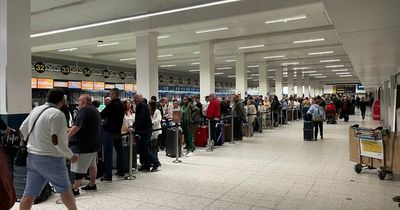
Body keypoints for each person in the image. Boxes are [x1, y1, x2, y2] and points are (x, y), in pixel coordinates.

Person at [19, 88, 78, 210]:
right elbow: (57, 141)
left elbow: (22, 129)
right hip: (51, 159)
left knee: (29, 192)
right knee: (65, 189)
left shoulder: (36, 109)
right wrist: (70, 156)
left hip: (33, 157)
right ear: (63, 100)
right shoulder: (57, 114)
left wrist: (36, 142)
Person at [67, 94, 101, 196]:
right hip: (94, 143)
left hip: (83, 145)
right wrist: (69, 129)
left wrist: (67, 136)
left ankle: (75, 189)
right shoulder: (94, 110)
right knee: (92, 165)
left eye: (79, 100)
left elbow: (77, 126)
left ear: (84, 101)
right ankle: (92, 184)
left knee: (79, 167)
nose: (78, 102)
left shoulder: (84, 110)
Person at [100, 88, 125, 182]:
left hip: (109, 132)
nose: (109, 95)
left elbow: (102, 115)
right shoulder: (121, 105)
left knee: (108, 154)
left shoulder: (111, 105)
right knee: (120, 152)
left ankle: (108, 174)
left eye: (110, 94)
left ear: (114, 94)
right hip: (117, 132)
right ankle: (121, 171)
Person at [133, 94, 161, 172]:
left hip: (145, 131)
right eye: (135, 98)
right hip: (145, 131)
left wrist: (134, 127)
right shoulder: (143, 105)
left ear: (141, 99)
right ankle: (146, 165)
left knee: (145, 149)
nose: (135, 100)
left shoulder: (141, 106)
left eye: (137, 98)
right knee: (143, 148)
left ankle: (156, 162)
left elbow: (140, 118)